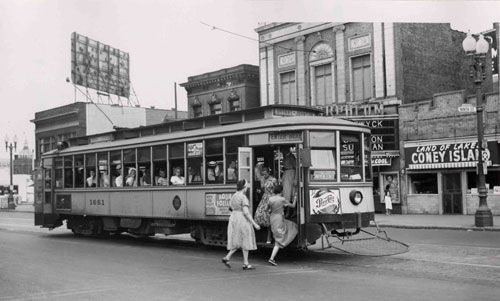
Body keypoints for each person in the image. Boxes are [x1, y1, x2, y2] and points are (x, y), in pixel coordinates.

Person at [221, 179, 261, 270]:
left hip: (233, 218)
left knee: (238, 239)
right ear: (245, 187)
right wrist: (254, 224)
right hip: (242, 219)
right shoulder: (243, 197)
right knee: (245, 239)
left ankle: (228, 258)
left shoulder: (234, 195)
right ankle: (245, 263)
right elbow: (246, 213)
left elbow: (230, 208)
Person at [267, 184, 298, 266]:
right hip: (279, 218)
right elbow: (293, 206)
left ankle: (272, 256)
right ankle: (271, 258)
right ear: (281, 191)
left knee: (277, 236)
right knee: (291, 228)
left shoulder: (270, 199)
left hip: (272, 218)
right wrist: (295, 197)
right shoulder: (282, 199)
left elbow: (268, 209)